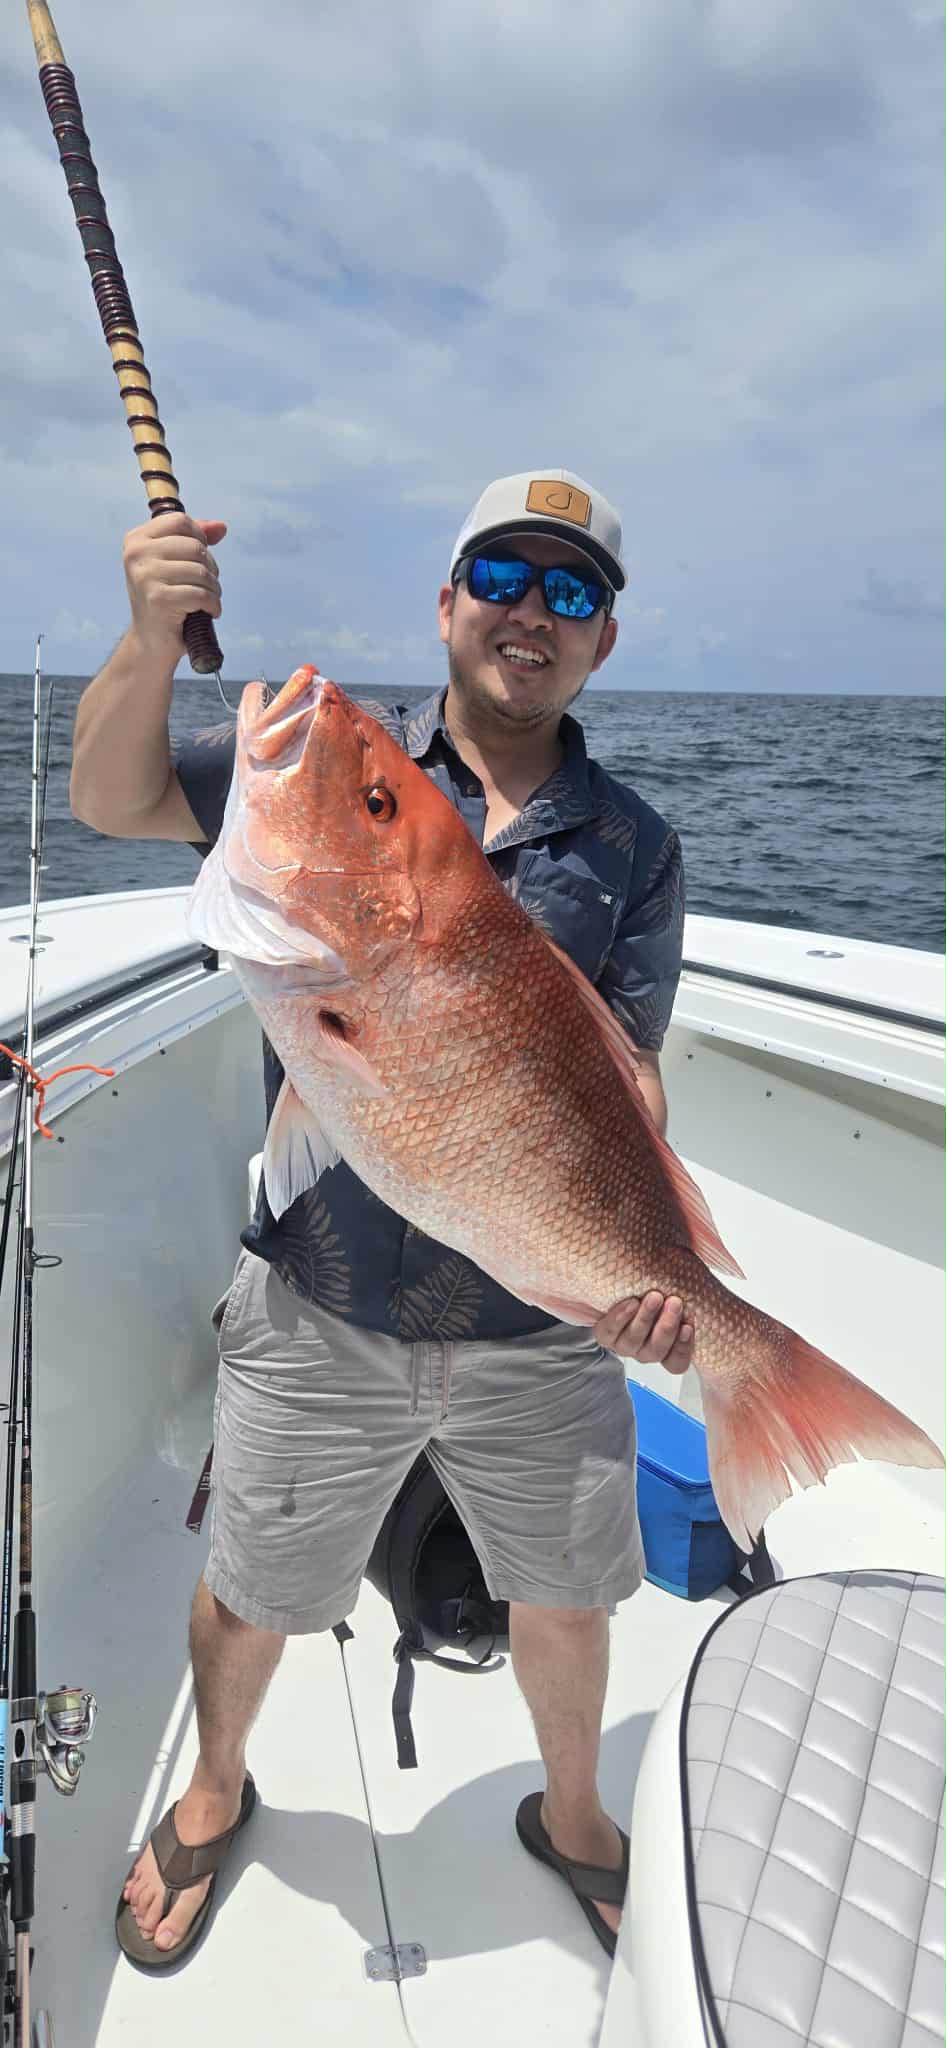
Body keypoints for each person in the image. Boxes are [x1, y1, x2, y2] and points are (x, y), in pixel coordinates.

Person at [70, 468, 692, 1972]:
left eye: (569, 592)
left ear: (602, 638)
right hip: (321, 1298)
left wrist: (650, 1266)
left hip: (536, 1318)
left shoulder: (633, 846)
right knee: (254, 1588)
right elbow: (111, 794)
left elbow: (631, 1079)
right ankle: (216, 1788)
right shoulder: (318, 773)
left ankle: (576, 1818)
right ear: (448, 598)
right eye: (502, 576)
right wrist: (150, 637)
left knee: (565, 1596)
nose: (528, 615)